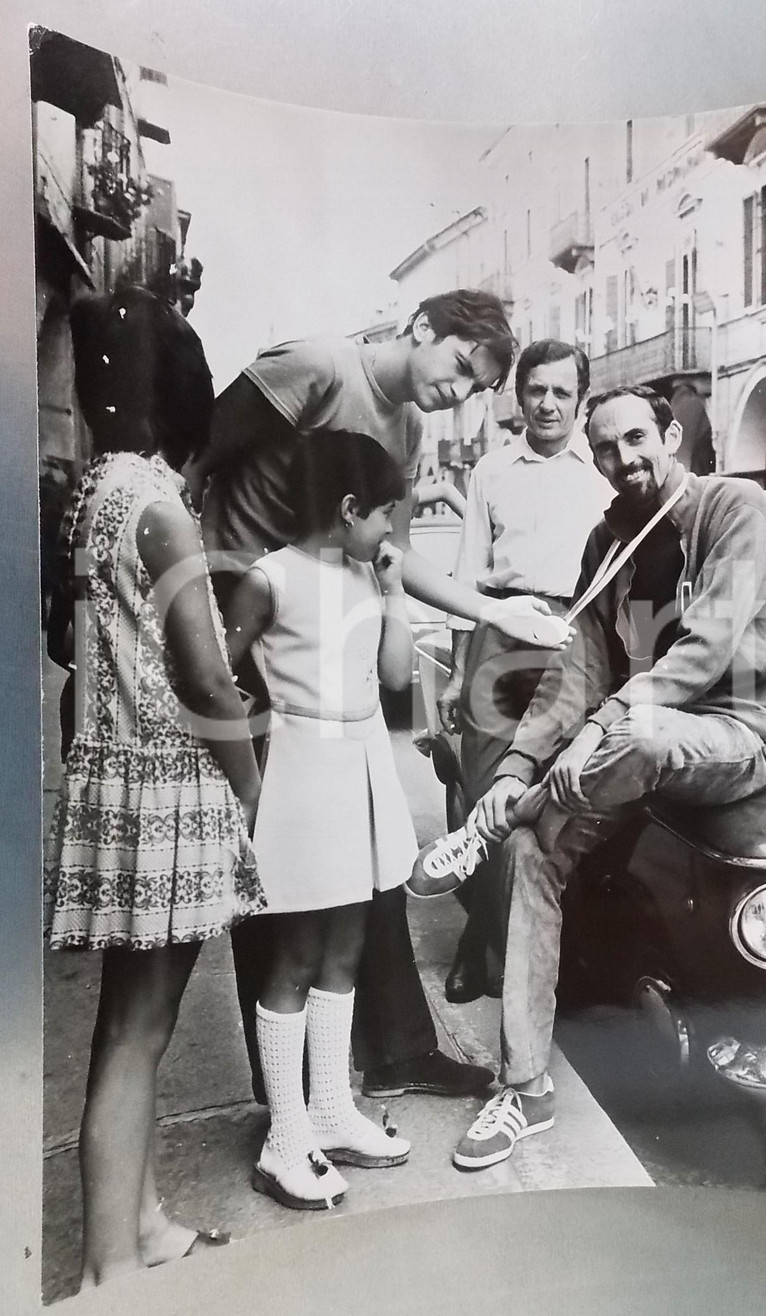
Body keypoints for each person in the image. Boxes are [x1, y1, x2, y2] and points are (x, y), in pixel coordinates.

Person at [194, 290, 561, 1103]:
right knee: (278, 873)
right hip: (252, 628)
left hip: (337, 645)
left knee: (370, 854)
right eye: (462, 367)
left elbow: (389, 555)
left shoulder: (410, 428)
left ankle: (396, 1052)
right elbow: (198, 459)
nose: (460, 392)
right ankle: (284, 1093)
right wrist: (195, 607)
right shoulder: (320, 365)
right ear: (420, 328)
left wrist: (492, 608)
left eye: (478, 387)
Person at [447, 384, 766, 1170]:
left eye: (637, 438)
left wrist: (601, 730)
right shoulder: (611, 540)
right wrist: (516, 762)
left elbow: (706, 648)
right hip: (633, 747)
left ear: (671, 434)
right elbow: (576, 671)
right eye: (604, 448)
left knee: (632, 738)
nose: (623, 460)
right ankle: (527, 1085)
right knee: (535, 851)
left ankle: (493, 822)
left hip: (734, 733)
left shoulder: (731, 507)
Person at [44, 287, 265, 1285]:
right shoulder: (164, 508)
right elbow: (207, 677)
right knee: (140, 1030)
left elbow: (74, 639)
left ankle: (133, 1219)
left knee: (128, 1027)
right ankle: (106, 1272)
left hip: (111, 783)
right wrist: (252, 788)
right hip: (169, 784)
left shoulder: (95, 492)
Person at [224, 432, 416, 1210]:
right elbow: (216, 676)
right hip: (304, 773)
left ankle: (332, 1108)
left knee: (348, 944)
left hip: (361, 765)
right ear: (347, 509)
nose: (390, 534)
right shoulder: (270, 579)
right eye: (384, 518)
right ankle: (286, 1135)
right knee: (297, 953)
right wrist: (244, 777)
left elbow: (397, 676)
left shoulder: (367, 580)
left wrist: (397, 593)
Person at [432, 339, 609, 1003]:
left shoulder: (599, 481)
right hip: (499, 636)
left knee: (550, 802)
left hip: (570, 639)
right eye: (537, 390)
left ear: (580, 401)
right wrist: (455, 674)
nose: (548, 403)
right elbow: (465, 573)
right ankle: (478, 938)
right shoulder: (489, 474)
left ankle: (533, 955)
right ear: (520, 396)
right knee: (484, 792)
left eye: (563, 392)